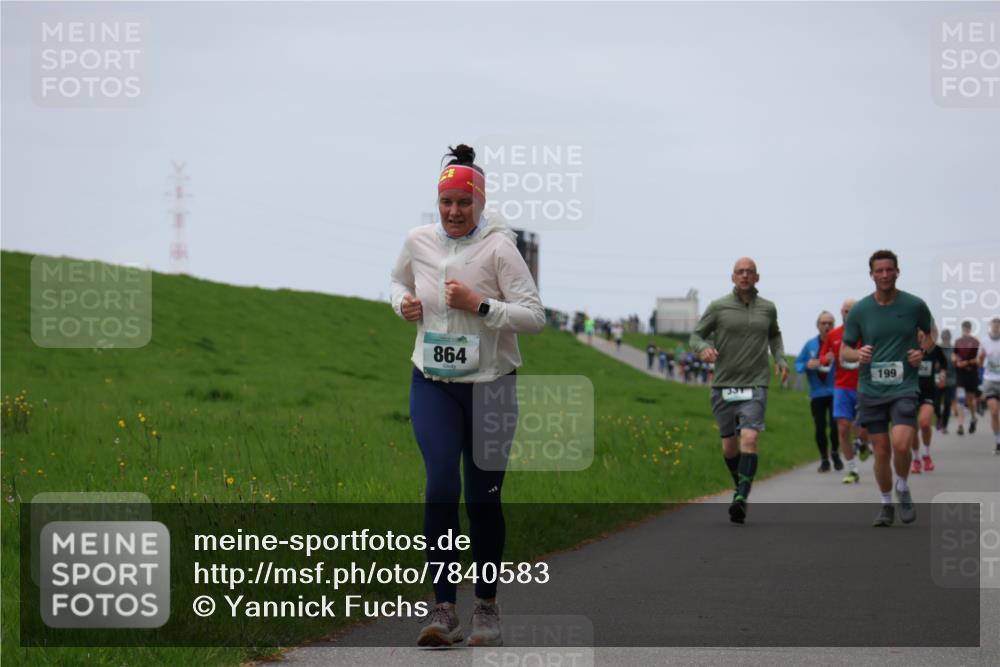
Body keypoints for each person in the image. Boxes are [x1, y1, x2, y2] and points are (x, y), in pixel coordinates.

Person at [390, 144, 545, 647]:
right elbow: (395, 282)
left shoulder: (500, 250)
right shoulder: (418, 241)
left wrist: (482, 305)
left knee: (483, 500)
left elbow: (534, 317)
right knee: (439, 487)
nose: (454, 212)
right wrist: (404, 303)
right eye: (446, 202)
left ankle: (486, 606)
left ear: (479, 203)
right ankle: (442, 609)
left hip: (492, 389)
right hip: (432, 384)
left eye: (464, 202)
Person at [690, 257, 788, 524]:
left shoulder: (768, 308)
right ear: (733, 277)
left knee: (750, 439)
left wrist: (779, 359)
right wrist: (703, 349)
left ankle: (741, 498)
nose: (745, 276)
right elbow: (695, 335)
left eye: (749, 272)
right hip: (723, 385)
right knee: (729, 448)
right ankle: (741, 488)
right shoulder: (718, 307)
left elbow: (774, 335)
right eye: (740, 272)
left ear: (757, 277)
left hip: (755, 384)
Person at [841, 250, 932, 527]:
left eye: (889, 270)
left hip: (904, 385)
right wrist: (859, 355)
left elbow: (930, 335)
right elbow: (845, 350)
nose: (884, 275)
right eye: (879, 271)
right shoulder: (860, 310)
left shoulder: (914, 305)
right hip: (871, 388)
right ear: (871, 275)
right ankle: (885, 504)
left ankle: (902, 486)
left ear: (897, 272)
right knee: (881, 451)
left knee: (901, 443)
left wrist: (922, 352)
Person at [819, 299, 871, 484]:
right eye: (846, 311)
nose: (848, 314)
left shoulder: (866, 333)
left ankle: (864, 443)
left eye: (852, 311)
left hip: (863, 386)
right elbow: (823, 358)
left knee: (863, 431)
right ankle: (852, 469)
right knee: (842, 427)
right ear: (841, 312)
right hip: (841, 387)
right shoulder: (833, 334)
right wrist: (826, 358)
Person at [795, 311, 840, 472]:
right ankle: (824, 459)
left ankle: (835, 452)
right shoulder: (810, 345)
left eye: (830, 323)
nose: (827, 326)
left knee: (836, 426)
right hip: (817, 393)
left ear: (834, 325)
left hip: (836, 391)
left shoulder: (839, 343)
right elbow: (798, 364)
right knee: (820, 427)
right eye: (824, 323)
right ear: (818, 325)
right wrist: (807, 365)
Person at [912, 330, 947, 473]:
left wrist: (942, 374)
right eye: (918, 331)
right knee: (911, 428)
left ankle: (926, 455)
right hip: (910, 392)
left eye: (924, 332)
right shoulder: (907, 347)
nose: (921, 334)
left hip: (929, 391)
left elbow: (944, 365)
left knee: (925, 422)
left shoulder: (935, 349)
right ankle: (915, 459)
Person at [976, 317, 1000, 455]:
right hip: (990, 380)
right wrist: (980, 359)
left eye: (999, 324)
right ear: (990, 326)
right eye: (994, 324)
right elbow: (979, 364)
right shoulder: (984, 341)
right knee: (994, 412)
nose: (996, 326)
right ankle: (998, 441)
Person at [953, 320, 981, 435]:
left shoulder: (975, 341)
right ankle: (960, 425)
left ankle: (973, 418)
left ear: (970, 329)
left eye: (967, 328)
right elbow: (954, 355)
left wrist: (967, 362)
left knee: (970, 400)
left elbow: (979, 359)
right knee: (960, 398)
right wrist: (955, 361)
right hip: (961, 374)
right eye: (964, 328)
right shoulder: (958, 341)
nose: (965, 330)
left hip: (971, 373)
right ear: (962, 328)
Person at [937, 329, 958, 434]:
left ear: (949, 338)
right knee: (936, 402)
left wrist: (956, 362)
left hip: (951, 380)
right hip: (939, 379)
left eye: (947, 338)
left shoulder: (954, 349)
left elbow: (957, 365)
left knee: (948, 403)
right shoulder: (937, 349)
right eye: (944, 338)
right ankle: (939, 419)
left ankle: (944, 425)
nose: (945, 340)